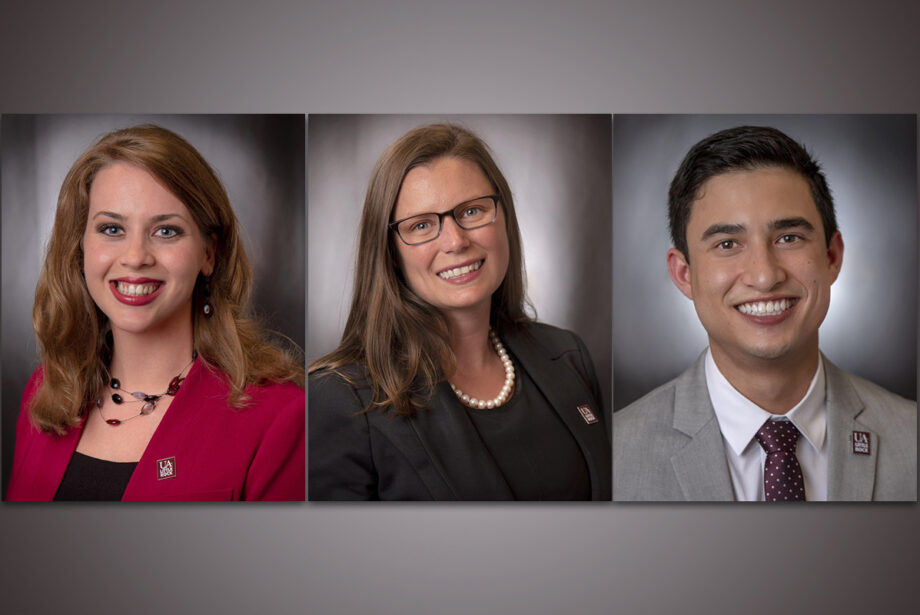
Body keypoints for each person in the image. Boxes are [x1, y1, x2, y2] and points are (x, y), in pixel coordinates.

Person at [613, 125, 917, 501]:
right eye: (727, 244)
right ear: (684, 275)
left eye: (788, 238)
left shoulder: (910, 438)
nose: (764, 275)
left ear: (831, 257)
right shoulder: (615, 454)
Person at [309, 123, 610, 501]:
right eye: (421, 225)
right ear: (389, 252)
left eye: (471, 211)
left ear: (504, 218)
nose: (455, 241)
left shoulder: (568, 356)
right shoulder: (339, 399)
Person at [6, 124, 305, 501]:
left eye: (166, 231)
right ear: (79, 248)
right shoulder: (45, 391)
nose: (135, 257)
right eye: (111, 228)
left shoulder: (281, 415)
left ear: (209, 253)